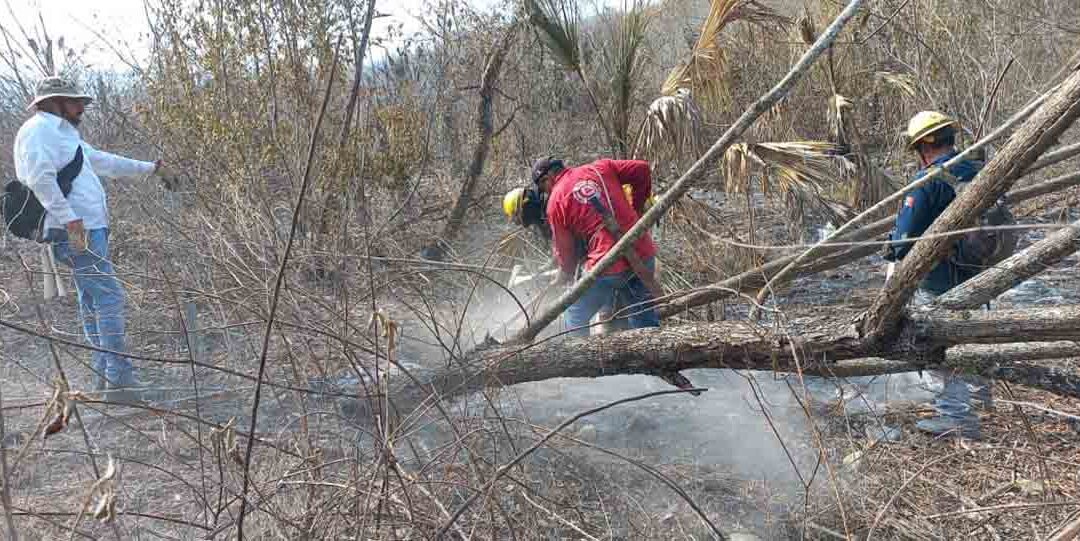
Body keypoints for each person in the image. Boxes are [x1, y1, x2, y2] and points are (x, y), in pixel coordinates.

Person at [13, 76, 166, 393]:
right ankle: (119, 381)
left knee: (92, 299)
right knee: (108, 298)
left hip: (85, 227)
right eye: (74, 101)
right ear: (53, 102)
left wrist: (152, 168)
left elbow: (105, 162)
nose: (81, 106)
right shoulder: (40, 131)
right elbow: (40, 179)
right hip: (75, 229)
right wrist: (71, 220)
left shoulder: (65, 136)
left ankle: (104, 377)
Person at [883, 111, 995, 439]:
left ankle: (956, 417)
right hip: (982, 272)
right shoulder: (977, 170)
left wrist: (890, 248)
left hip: (941, 279)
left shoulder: (930, 180)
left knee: (936, 343)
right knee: (973, 336)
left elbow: (902, 242)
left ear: (922, 146)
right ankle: (980, 398)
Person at [529, 156, 660, 337]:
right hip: (643, 252)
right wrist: (636, 209)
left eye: (543, 187)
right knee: (643, 319)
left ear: (547, 178)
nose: (546, 192)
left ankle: (582, 362)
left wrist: (564, 274)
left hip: (608, 265)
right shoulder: (600, 167)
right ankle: (655, 358)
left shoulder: (555, 202)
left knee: (574, 316)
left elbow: (567, 256)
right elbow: (643, 168)